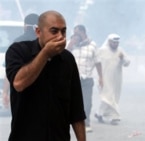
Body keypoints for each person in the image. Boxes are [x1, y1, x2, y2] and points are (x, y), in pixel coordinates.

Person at [5, 10, 86, 141]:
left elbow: (76, 110)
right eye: (54, 31)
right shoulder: (18, 51)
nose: (60, 37)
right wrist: (45, 53)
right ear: (38, 32)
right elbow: (19, 83)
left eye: (63, 31)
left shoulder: (67, 59)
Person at [68, 25, 103, 132]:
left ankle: (86, 123)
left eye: (77, 33)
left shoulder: (92, 45)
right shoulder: (71, 44)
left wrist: (101, 76)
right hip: (72, 78)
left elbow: (97, 62)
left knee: (87, 102)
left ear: (83, 33)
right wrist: (70, 45)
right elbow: (62, 56)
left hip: (87, 78)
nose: (75, 36)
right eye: (74, 33)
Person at [2, 13, 39, 109]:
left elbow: (9, 71)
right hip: (41, 92)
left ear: (25, 26)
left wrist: (5, 92)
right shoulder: (45, 43)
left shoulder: (16, 44)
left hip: (21, 91)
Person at [95, 33, 130, 125]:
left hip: (116, 79)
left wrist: (122, 59)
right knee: (108, 96)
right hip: (104, 78)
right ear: (109, 42)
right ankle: (115, 117)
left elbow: (127, 63)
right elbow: (95, 61)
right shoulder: (102, 50)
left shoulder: (120, 51)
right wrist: (99, 77)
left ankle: (99, 113)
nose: (115, 44)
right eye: (114, 43)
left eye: (117, 43)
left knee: (111, 97)